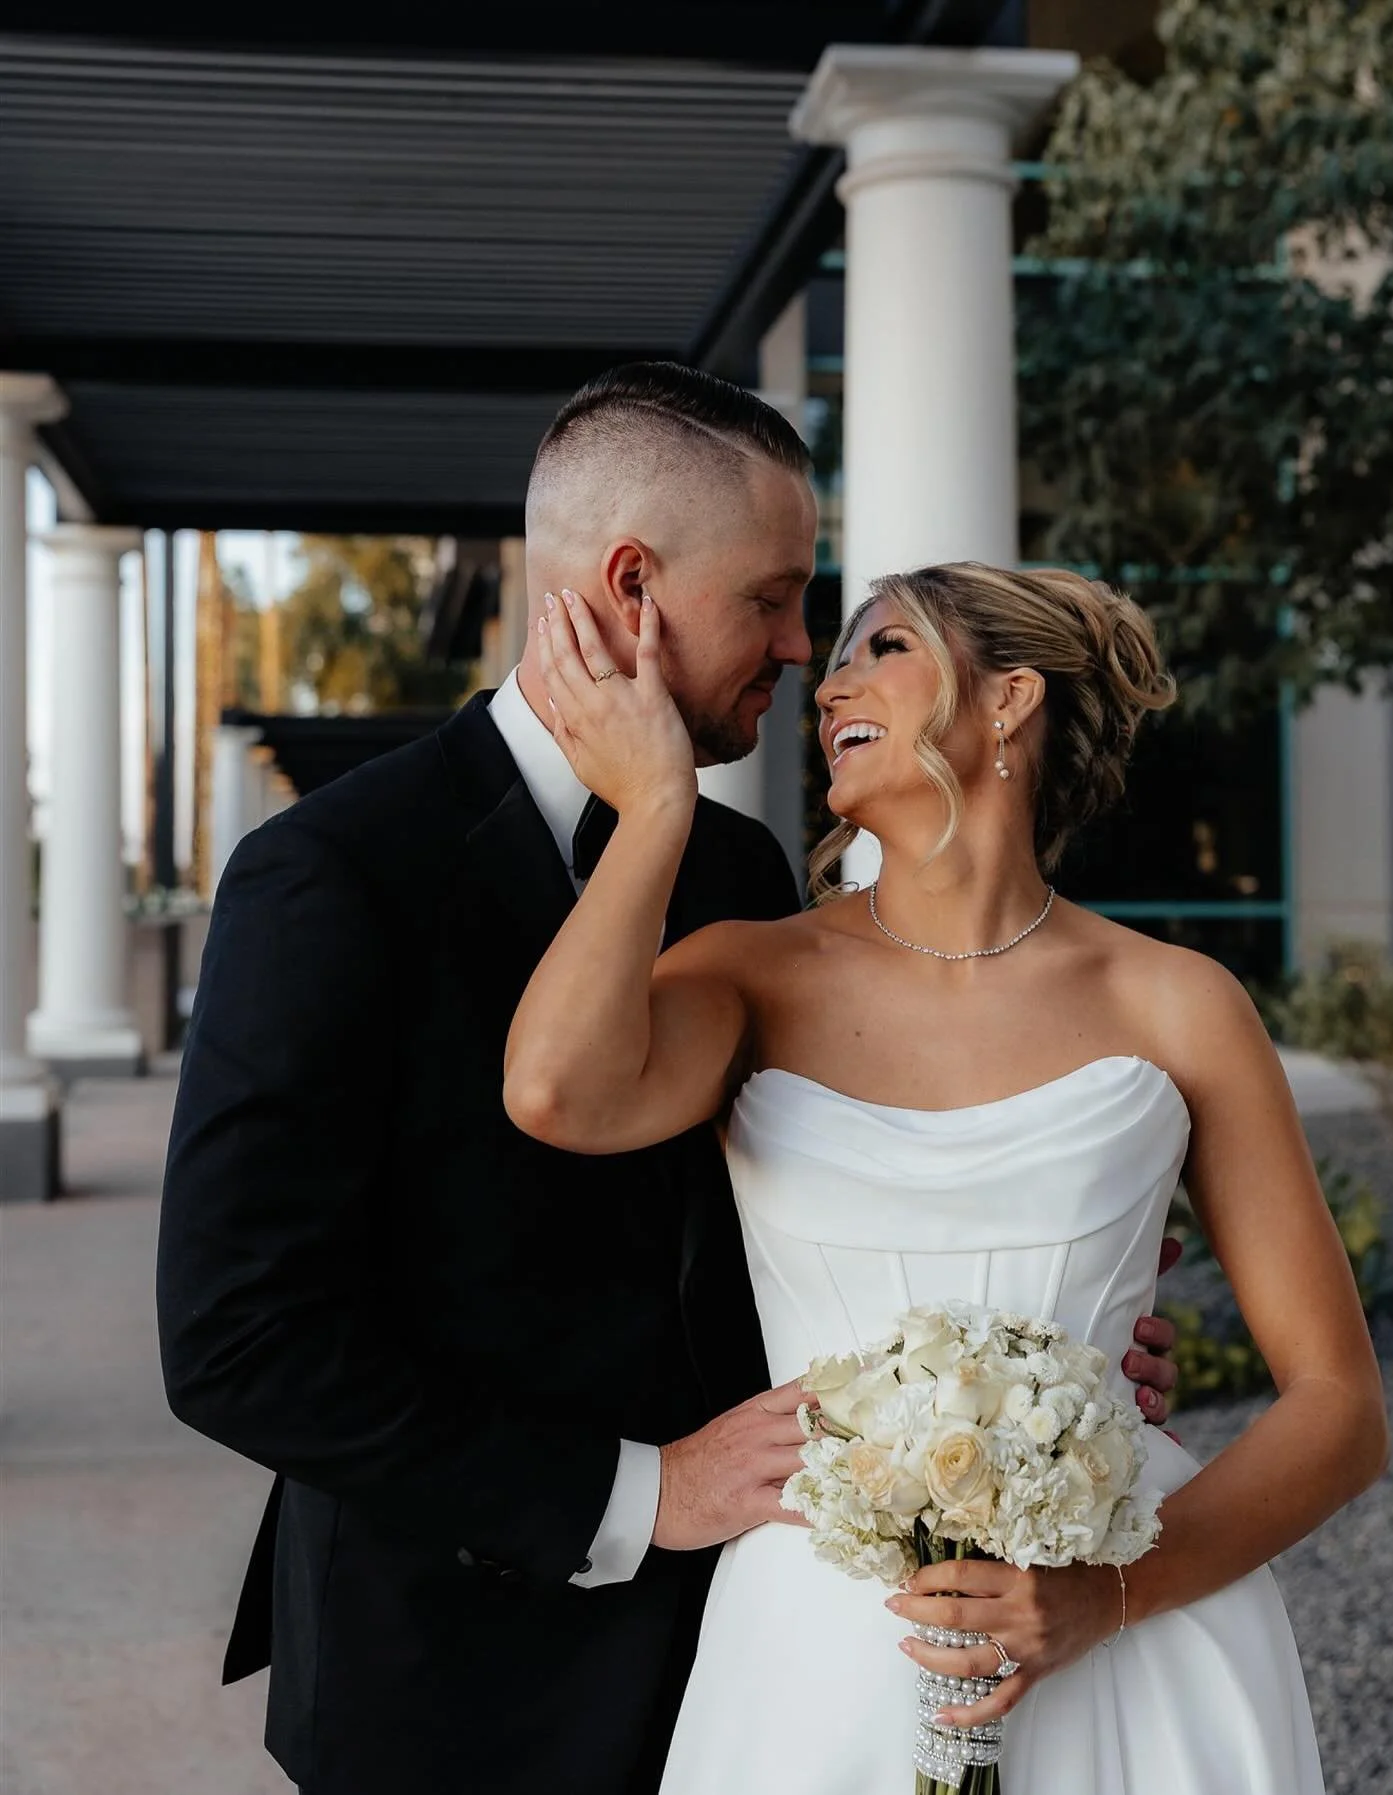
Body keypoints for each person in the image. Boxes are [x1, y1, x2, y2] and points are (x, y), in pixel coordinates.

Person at [156, 365, 1178, 1795]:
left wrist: (1032, 1364)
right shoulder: (332, 872)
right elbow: (237, 1338)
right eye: (773, 599)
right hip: (453, 1670)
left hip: (760, 1646)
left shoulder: (740, 871)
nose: (802, 649)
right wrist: (642, 1490)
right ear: (634, 586)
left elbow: (790, 1207)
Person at [503, 561, 1390, 1795]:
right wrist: (656, 806)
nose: (830, 687)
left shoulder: (1179, 1003)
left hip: (1130, 1635)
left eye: (884, 648)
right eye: (836, 664)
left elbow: (1341, 1405)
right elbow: (556, 1092)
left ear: (1010, 698)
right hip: (821, 1637)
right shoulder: (751, 974)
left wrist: (1106, 1596)